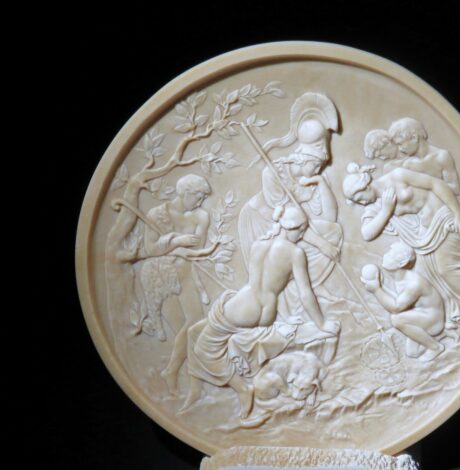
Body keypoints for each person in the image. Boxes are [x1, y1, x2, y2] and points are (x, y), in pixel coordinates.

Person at [183, 206, 340, 419]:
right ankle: (196, 390)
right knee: (194, 333)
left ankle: (243, 389)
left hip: (244, 307)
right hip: (260, 310)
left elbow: (260, 283)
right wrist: (321, 323)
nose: (303, 235)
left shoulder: (260, 244)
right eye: (302, 230)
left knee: (203, 349)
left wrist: (319, 325)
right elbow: (305, 293)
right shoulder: (295, 253)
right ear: (293, 228)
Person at [344, 162, 460, 324]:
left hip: (444, 221)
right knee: (428, 277)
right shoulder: (378, 206)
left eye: (359, 199)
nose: (362, 203)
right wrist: (386, 210)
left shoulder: (397, 176)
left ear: (365, 186)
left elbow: (436, 184)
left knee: (445, 270)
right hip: (424, 239)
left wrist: (459, 214)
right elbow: (367, 233)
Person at [238, 93, 343, 319]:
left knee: (333, 231)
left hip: (297, 226)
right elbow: (291, 223)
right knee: (277, 268)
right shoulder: (273, 174)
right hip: (264, 221)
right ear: (301, 158)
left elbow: (330, 219)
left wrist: (320, 182)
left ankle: (309, 291)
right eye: (317, 165)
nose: (319, 169)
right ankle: (287, 308)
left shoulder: (314, 177)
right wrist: (323, 245)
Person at [140, 174, 219, 393]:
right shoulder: (156, 215)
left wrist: (177, 247)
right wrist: (176, 240)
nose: (201, 202)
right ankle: (181, 377)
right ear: (186, 193)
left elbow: (197, 248)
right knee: (179, 329)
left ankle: (174, 372)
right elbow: (150, 250)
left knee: (195, 323)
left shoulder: (201, 216)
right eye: (199, 196)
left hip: (187, 274)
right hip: (162, 276)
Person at [361, 242, 446, 361]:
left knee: (396, 319)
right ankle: (440, 336)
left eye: (390, 255)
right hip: (420, 316)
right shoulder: (399, 279)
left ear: (402, 263)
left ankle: (435, 347)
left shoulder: (414, 284)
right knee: (412, 353)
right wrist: (379, 286)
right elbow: (397, 300)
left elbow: (396, 308)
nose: (385, 255)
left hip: (432, 320)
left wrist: (376, 290)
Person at [387, 117, 460, 195]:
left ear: (414, 138)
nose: (400, 149)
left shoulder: (441, 156)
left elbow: (456, 189)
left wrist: (430, 184)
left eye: (400, 144)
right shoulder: (407, 163)